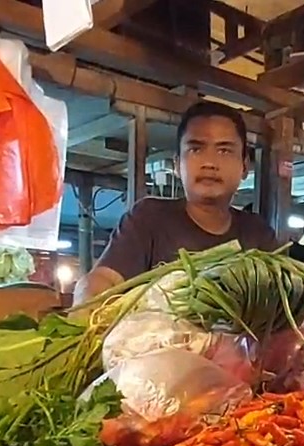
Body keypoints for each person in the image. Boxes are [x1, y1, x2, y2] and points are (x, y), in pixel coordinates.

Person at [74, 101, 281, 303]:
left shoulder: (258, 235)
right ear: (177, 164)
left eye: (224, 150)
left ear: (244, 166)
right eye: (196, 149)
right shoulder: (149, 218)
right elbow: (106, 278)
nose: (209, 163)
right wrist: (87, 295)